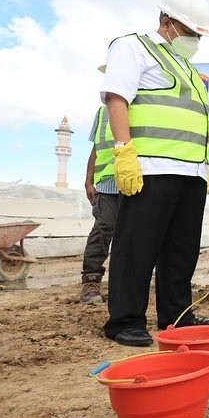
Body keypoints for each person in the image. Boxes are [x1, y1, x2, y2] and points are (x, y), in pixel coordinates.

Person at [100, 0, 209, 347]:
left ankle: (176, 317)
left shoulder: (186, 66)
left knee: (181, 252)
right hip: (152, 168)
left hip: (191, 173)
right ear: (166, 22)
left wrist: (205, 168)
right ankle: (125, 320)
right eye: (190, 32)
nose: (195, 40)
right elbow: (116, 98)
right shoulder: (133, 47)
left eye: (199, 35)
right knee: (137, 246)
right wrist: (124, 151)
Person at [79, 104, 119, 304]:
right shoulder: (103, 111)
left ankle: (127, 284)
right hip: (108, 183)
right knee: (103, 229)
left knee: (136, 235)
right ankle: (91, 281)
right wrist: (89, 180)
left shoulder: (148, 103)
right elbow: (97, 147)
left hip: (140, 182)